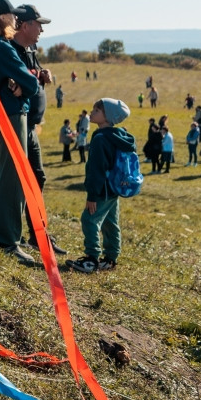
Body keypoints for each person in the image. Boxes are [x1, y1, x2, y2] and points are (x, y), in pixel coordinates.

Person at [0, 0, 41, 266]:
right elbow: (30, 83)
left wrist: (21, 81)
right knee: (13, 177)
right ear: (3, 19)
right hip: (10, 114)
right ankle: (6, 240)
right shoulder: (2, 47)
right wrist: (27, 82)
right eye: (12, 16)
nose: (16, 20)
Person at [10, 3, 63, 254]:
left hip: (30, 123)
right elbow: (14, 77)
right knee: (26, 178)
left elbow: (30, 74)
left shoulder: (30, 48)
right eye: (38, 24)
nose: (41, 29)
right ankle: (21, 235)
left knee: (36, 177)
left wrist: (41, 72)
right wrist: (36, 75)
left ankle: (36, 235)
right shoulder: (11, 49)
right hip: (20, 121)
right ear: (25, 24)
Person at [67, 98, 134, 273]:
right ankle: (110, 259)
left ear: (108, 117)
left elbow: (96, 170)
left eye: (97, 110)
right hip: (114, 188)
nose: (91, 112)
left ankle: (91, 259)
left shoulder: (99, 139)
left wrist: (92, 196)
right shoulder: (118, 135)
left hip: (102, 190)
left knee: (89, 220)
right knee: (110, 222)